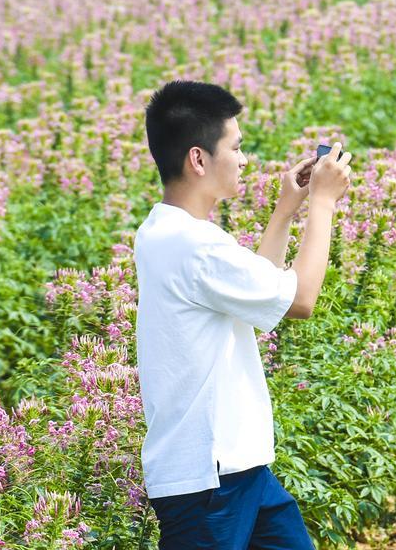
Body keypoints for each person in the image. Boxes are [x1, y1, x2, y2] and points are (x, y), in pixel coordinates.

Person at [134, 80, 352, 548]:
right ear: (198, 159)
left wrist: (285, 212)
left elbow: (256, 296)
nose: (244, 158)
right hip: (207, 482)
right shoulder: (195, 247)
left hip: (239, 468)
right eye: (236, 146)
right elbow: (300, 299)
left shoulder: (163, 231)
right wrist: (323, 203)